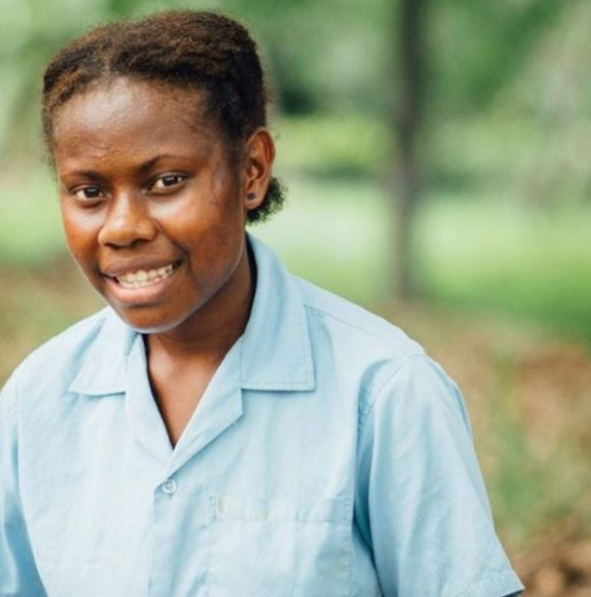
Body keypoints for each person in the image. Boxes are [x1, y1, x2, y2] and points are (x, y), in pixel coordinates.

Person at [0, 10, 524, 597]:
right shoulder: (36, 403)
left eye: (167, 181)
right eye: (89, 192)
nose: (123, 227)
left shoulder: (382, 395)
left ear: (251, 171)